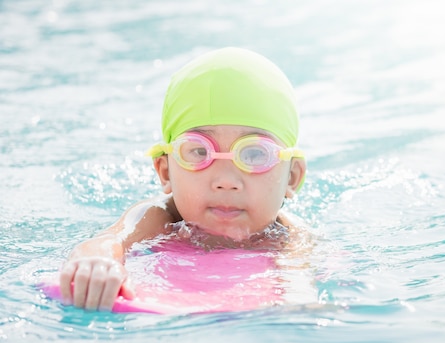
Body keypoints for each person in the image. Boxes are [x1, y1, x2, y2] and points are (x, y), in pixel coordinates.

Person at [59, 47, 307, 311]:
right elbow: (108, 241)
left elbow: (300, 284)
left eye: (255, 154)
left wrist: (298, 303)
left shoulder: (291, 238)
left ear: (291, 178)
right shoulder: (157, 216)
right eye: (199, 152)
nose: (225, 180)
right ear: (165, 171)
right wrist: (98, 261)